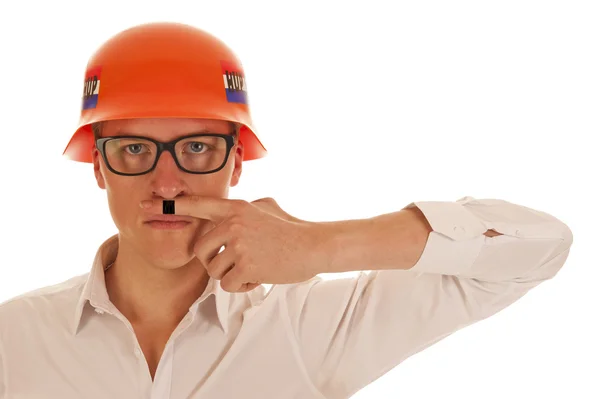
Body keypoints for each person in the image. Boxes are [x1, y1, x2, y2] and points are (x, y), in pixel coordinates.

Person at [0, 22, 573, 399]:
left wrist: (322, 245)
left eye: (197, 148)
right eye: (134, 150)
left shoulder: (311, 327)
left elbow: (539, 247)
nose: (165, 183)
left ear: (236, 166)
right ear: (98, 166)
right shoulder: (14, 340)